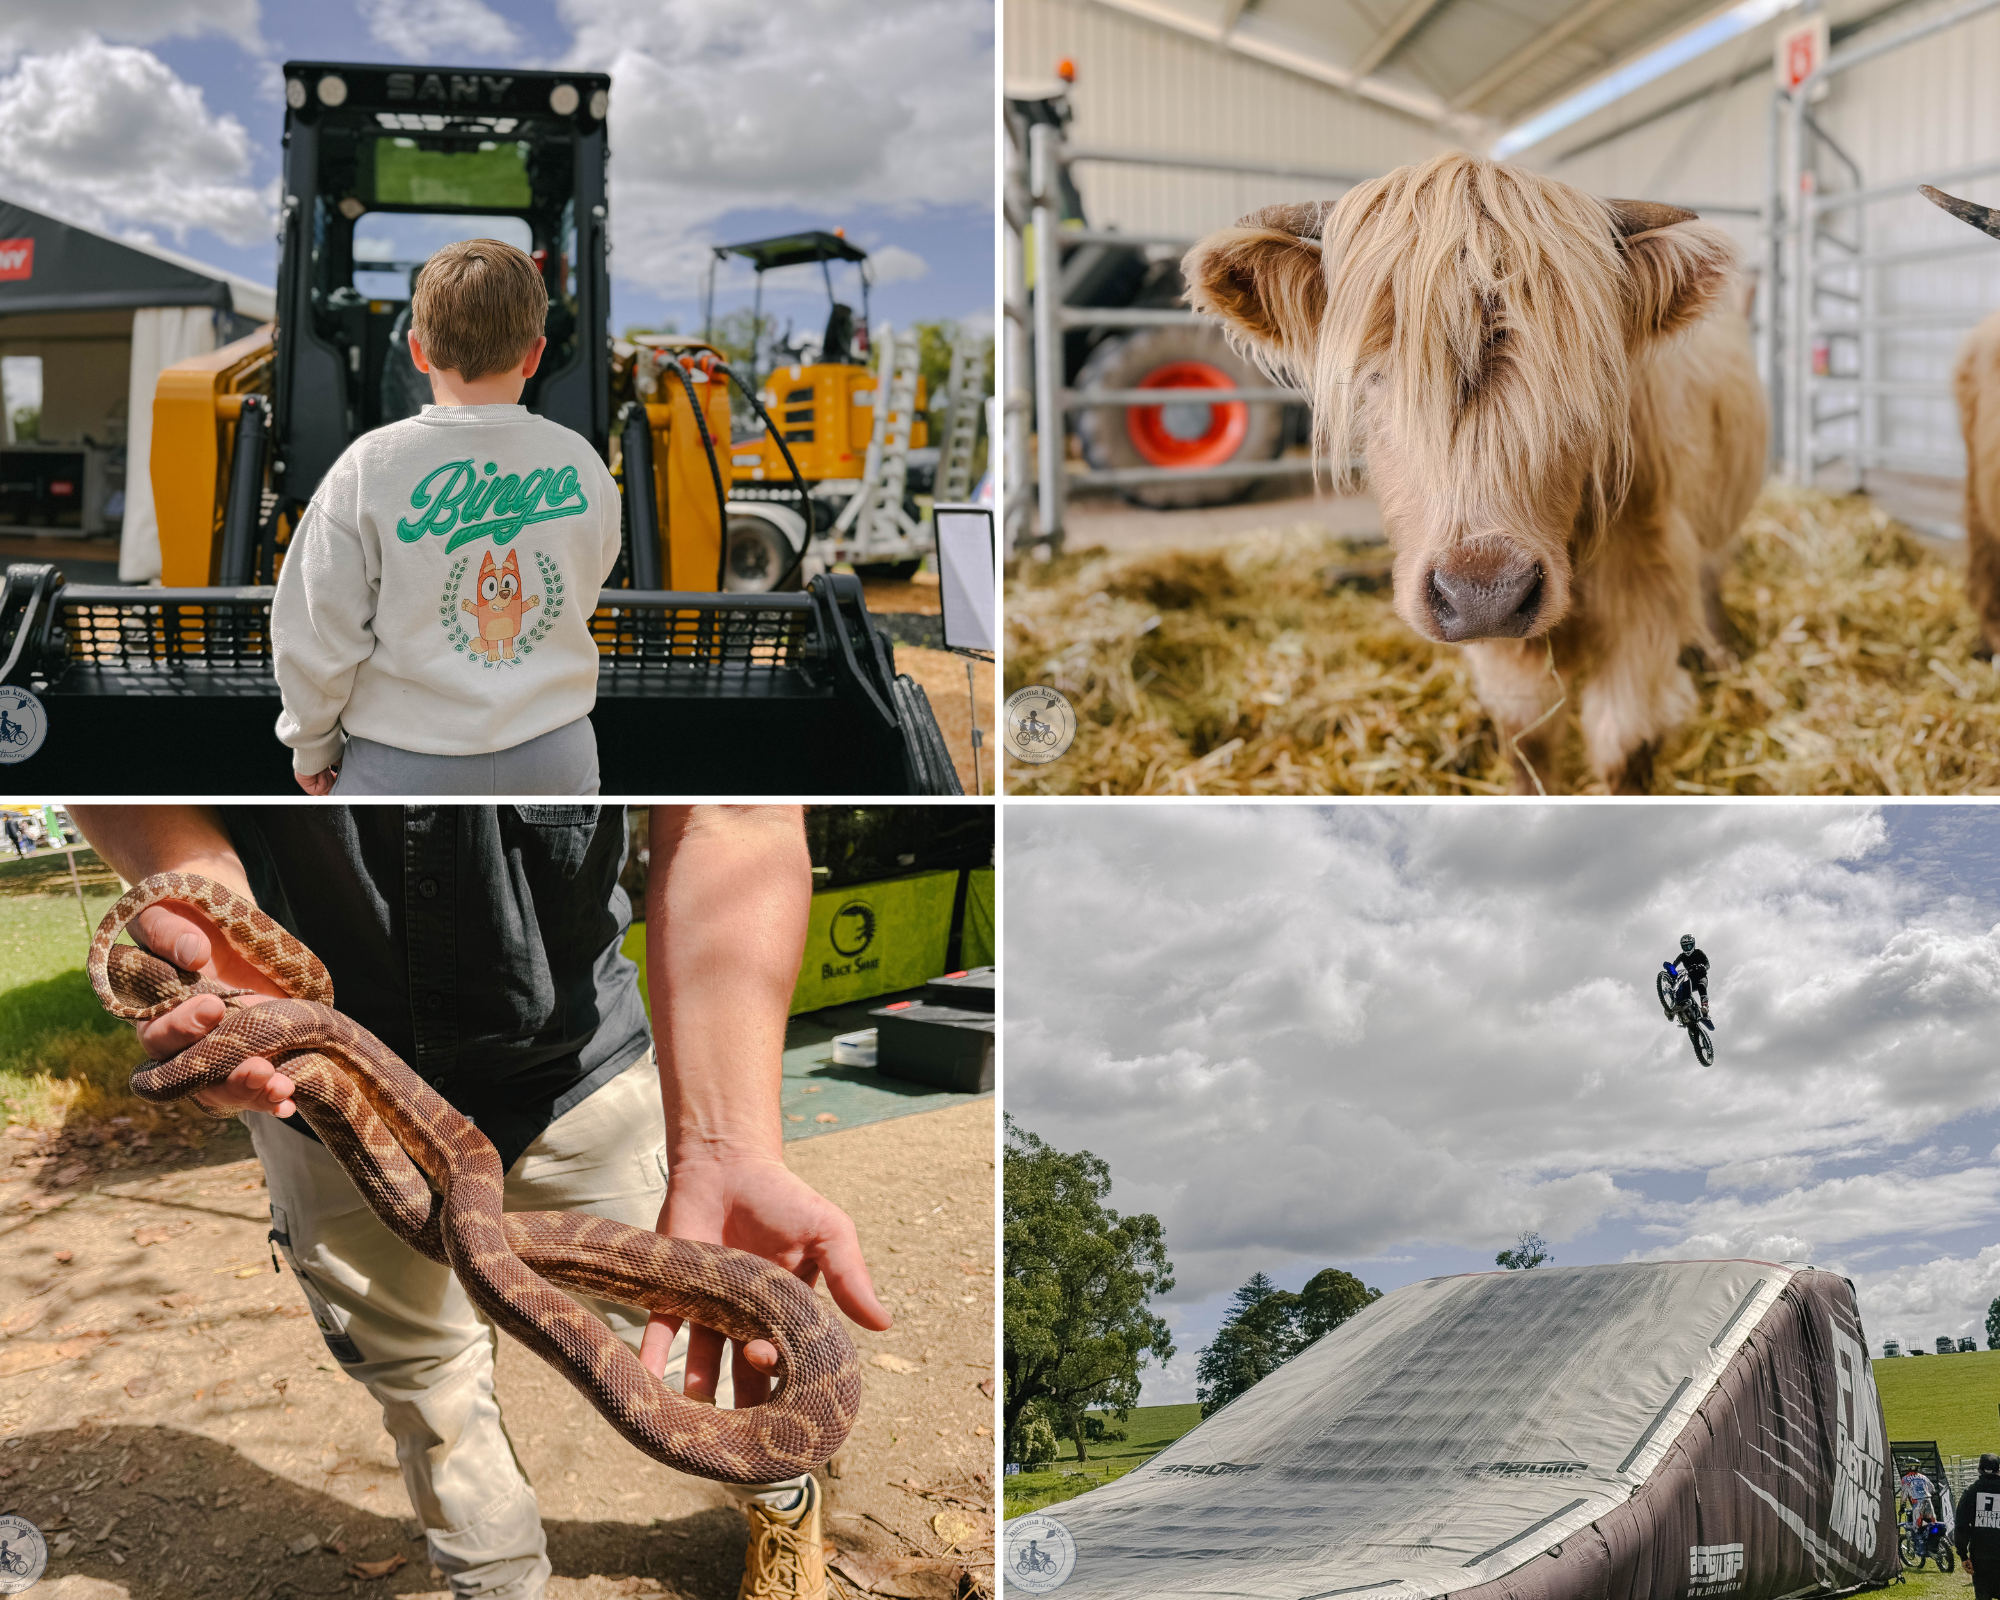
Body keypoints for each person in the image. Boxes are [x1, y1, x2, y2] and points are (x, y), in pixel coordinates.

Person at [70, 804, 889, 1600]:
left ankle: (784, 1505)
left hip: (575, 1073)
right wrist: (200, 889)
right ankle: (498, 1584)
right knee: (427, 1388)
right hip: (308, 1096)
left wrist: (729, 1145)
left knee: (682, 1346)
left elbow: (734, 813)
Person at [270, 239, 623, 797]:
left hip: (404, 759)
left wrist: (312, 742)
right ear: (535, 354)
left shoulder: (368, 467)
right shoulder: (583, 462)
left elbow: (318, 627)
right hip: (556, 751)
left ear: (416, 350)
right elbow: (589, 578)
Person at [1960, 1453, 2000, 1600]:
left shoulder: (1971, 1492)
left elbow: (1961, 1525)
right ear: (1999, 1470)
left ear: (1979, 1470)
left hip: (1981, 1557)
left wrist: (1963, 1555)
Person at [1670, 933, 1711, 1024]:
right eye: (1685, 947)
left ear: (1693, 945)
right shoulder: (1682, 956)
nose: (1687, 948)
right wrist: (1670, 970)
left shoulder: (1698, 952)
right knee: (1681, 986)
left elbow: (1707, 964)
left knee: (1701, 985)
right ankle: (1675, 1009)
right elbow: (1674, 965)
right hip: (1690, 980)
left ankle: (1705, 1009)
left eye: (1689, 946)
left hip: (1701, 977)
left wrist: (1704, 967)